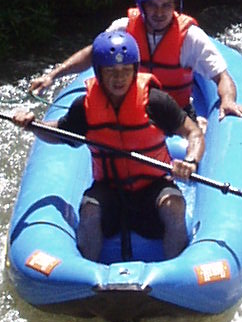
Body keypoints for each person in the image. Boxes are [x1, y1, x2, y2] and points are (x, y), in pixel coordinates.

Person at [16, 27, 204, 261]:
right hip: (109, 188)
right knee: (90, 210)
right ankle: (85, 276)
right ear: (99, 72)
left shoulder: (156, 102)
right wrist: (33, 125)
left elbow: (193, 132)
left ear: (134, 70)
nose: (119, 78)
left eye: (126, 70)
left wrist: (190, 161)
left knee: (174, 205)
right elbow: (60, 134)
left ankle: (177, 274)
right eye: (111, 71)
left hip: (153, 185)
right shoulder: (84, 106)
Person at [30, 0, 242, 117]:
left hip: (175, 113)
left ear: (175, 5)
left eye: (166, 5)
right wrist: (53, 75)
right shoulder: (123, 29)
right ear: (141, 6)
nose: (160, 12)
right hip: (130, 110)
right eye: (153, 6)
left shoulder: (191, 37)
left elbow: (222, 77)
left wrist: (228, 100)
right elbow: (92, 54)